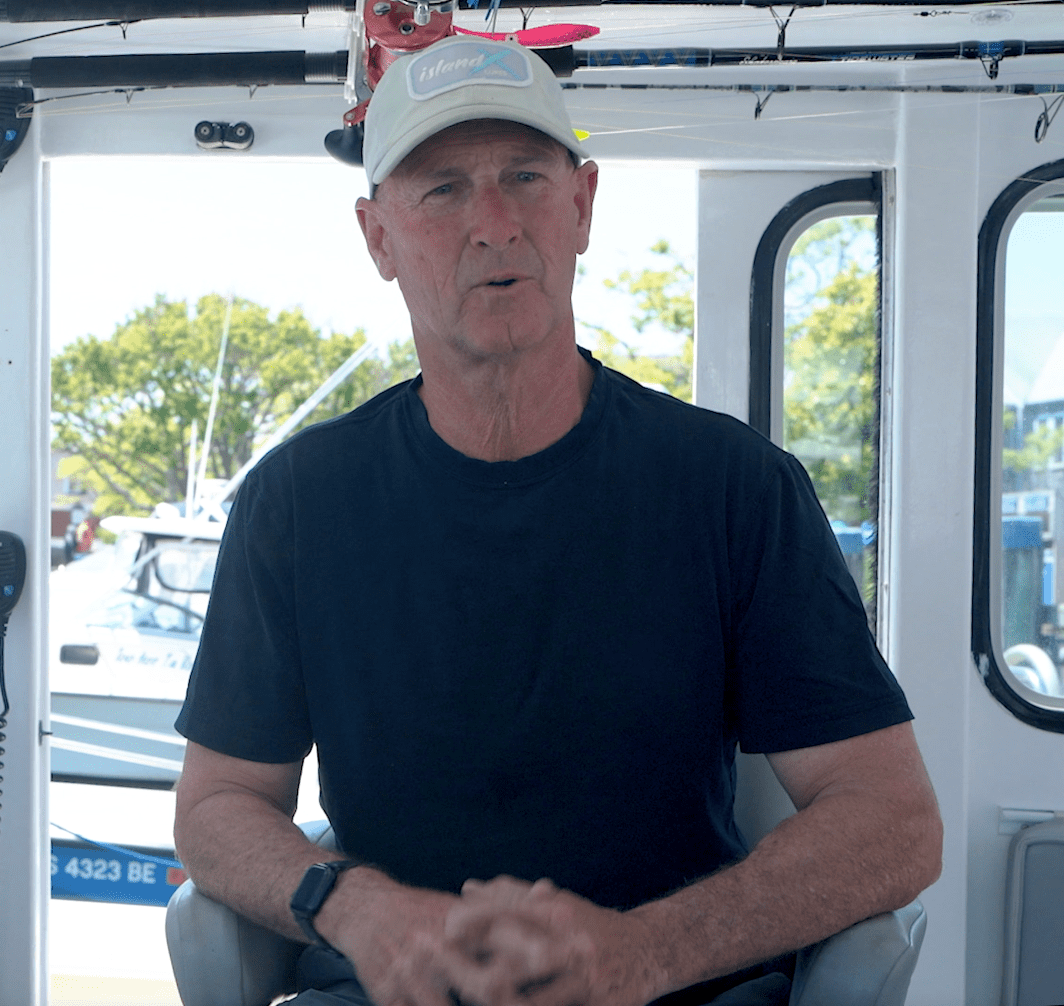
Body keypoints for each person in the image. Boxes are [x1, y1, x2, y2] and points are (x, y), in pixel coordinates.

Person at [171, 35, 942, 1006]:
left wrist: (645, 950)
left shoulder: (736, 488)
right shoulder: (293, 501)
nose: (492, 224)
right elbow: (214, 805)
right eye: (441, 189)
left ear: (579, 206)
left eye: (523, 176)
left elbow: (892, 819)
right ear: (377, 238)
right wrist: (354, 906)